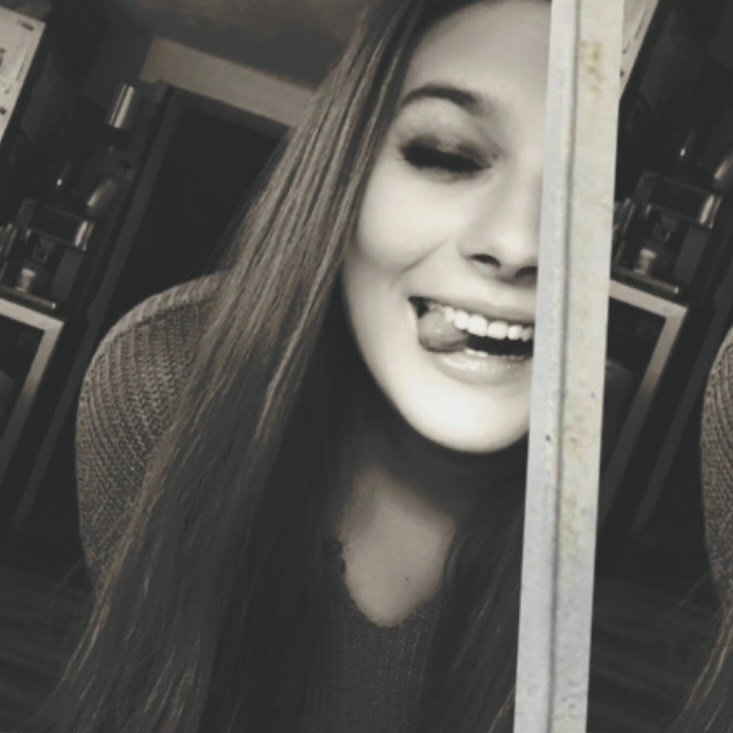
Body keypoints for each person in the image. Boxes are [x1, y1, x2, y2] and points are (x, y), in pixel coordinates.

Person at [23, 0, 727, 731]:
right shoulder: (165, 379)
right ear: (348, 168)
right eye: (447, 155)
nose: (520, 242)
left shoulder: (615, 479)